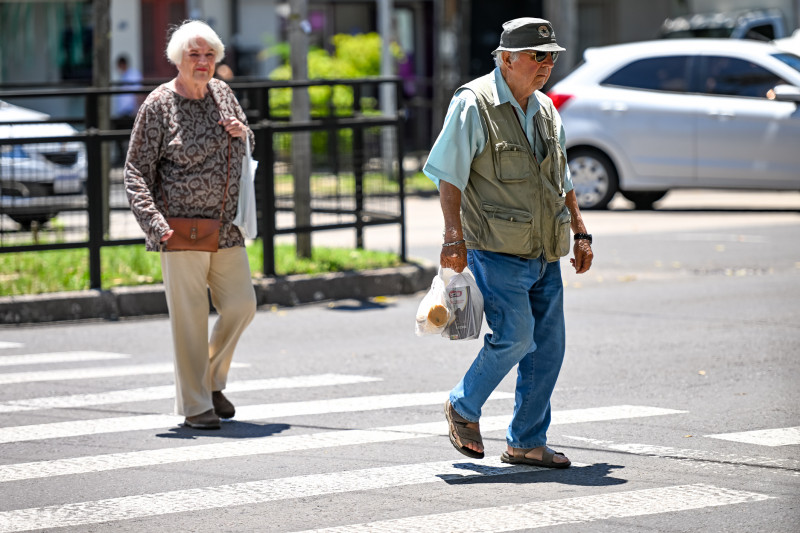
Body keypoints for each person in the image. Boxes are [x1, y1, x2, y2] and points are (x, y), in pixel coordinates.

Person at [423, 17, 593, 468]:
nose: (546, 65)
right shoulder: (473, 104)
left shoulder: (546, 109)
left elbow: (563, 178)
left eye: (551, 57)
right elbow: (447, 173)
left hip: (544, 250)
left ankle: (525, 441)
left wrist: (580, 230)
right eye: (537, 56)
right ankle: (462, 407)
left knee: (549, 348)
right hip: (494, 248)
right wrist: (452, 237)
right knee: (516, 338)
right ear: (506, 58)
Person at [123, 20, 256, 430]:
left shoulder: (223, 93)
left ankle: (211, 381)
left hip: (226, 228)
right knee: (190, 319)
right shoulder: (158, 105)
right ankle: (197, 404)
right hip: (176, 230)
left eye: (209, 55)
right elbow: (134, 170)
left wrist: (243, 131)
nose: (202, 62)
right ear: (178, 58)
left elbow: (246, 143)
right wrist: (154, 223)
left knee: (241, 306)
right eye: (193, 54)